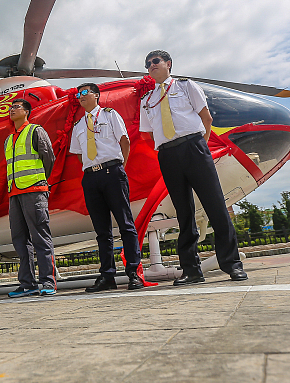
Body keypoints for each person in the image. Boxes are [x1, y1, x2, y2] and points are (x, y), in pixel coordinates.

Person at [138, 50, 247, 285]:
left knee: (215, 205)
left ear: (168, 64)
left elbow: (206, 118)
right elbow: (147, 134)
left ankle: (232, 264)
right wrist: (164, 149)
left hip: (194, 147)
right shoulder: (146, 100)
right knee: (183, 213)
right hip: (168, 155)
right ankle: (191, 270)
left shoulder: (186, 87)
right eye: (147, 64)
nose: (150, 66)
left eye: (155, 61)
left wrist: (201, 146)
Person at [69, 83, 143, 292]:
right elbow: (77, 154)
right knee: (102, 231)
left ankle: (133, 272)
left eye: (85, 92)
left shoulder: (110, 115)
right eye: (78, 93)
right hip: (91, 177)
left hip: (113, 172)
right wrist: (92, 168)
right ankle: (107, 275)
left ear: (96, 95)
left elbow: (124, 141)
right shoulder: (78, 125)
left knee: (126, 224)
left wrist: (120, 167)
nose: (80, 96)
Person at [5, 98, 57, 297]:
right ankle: (28, 283)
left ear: (26, 112)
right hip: (15, 193)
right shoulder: (8, 140)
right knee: (20, 240)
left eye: (16, 107)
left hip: (34, 190)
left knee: (40, 237)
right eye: (11, 107)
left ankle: (47, 282)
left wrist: (39, 181)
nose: (12, 110)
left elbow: (48, 158)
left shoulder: (35, 131)